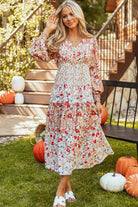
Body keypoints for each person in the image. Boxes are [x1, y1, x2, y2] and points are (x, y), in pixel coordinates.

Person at [29, 0, 114, 206]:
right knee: (65, 141)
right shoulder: (58, 41)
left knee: (73, 141)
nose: (68, 19)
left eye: (70, 14)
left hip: (83, 99)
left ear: (78, 15)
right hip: (62, 99)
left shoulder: (90, 42)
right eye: (64, 16)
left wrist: (96, 99)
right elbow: (35, 51)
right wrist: (47, 30)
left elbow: (94, 72)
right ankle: (65, 189)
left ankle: (61, 190)